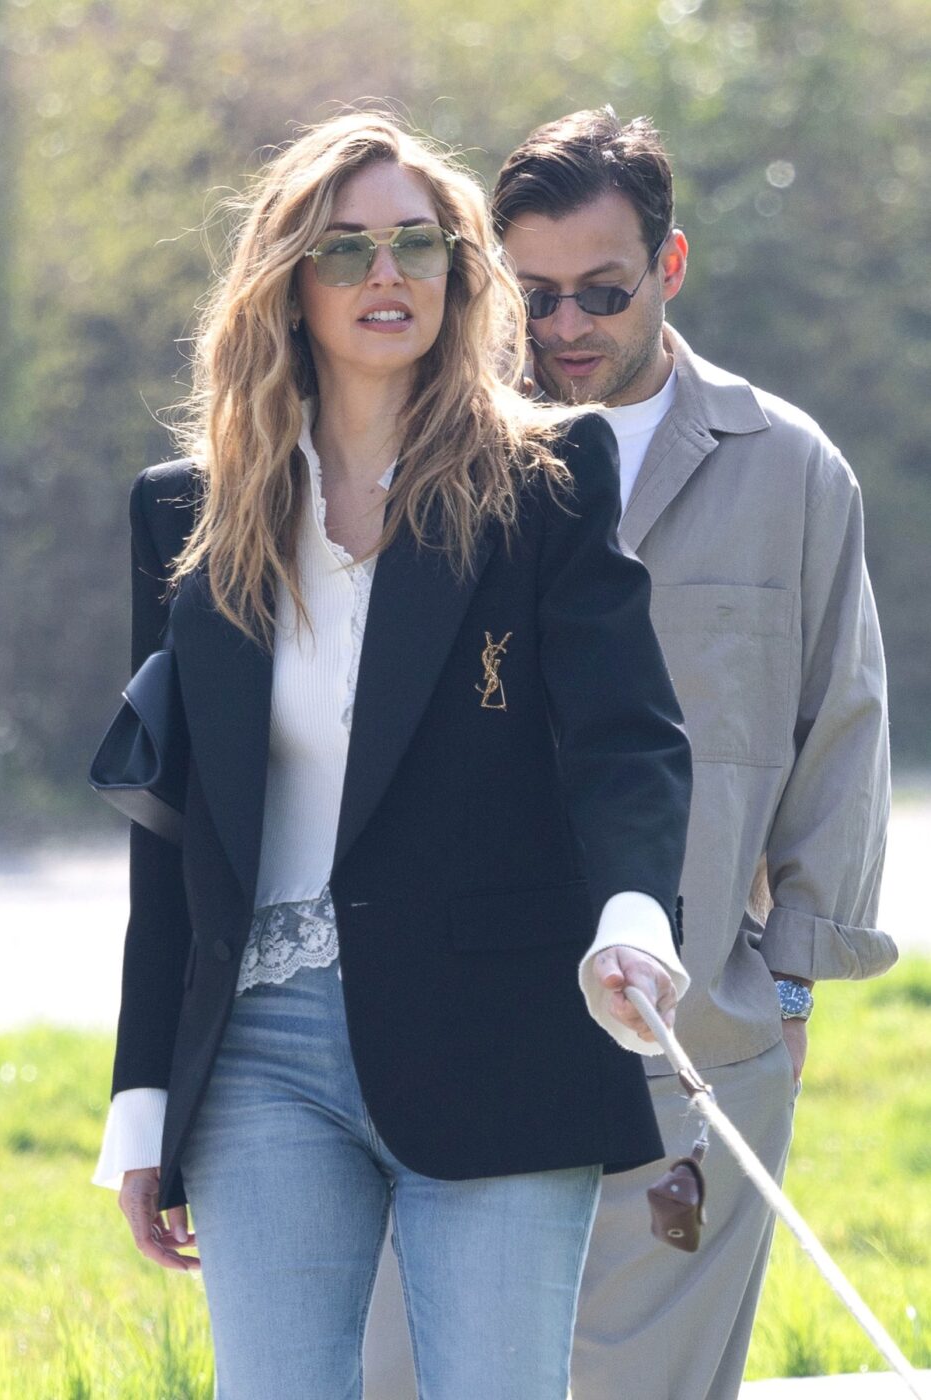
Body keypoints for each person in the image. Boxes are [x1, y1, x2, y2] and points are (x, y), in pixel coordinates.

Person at [91, 112, 695, 1400]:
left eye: (418, 244)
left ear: (459, 272)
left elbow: (626, 739)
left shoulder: (547, 479)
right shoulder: (186, 512)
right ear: (288, 281)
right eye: (346, 248)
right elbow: (171, 831)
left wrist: (636, 917)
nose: (387, 274)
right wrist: (144, 1096)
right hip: (258, 1047)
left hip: (501, 1026)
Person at [361, 109, 897, 1400]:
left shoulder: (790, 471)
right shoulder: (409, 461)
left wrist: (783, 997)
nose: (562, 328)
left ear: (670, 265)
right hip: (440, 1047)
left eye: (601, 292)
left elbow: (840, 735)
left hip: (688, 1054)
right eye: (532, 295)